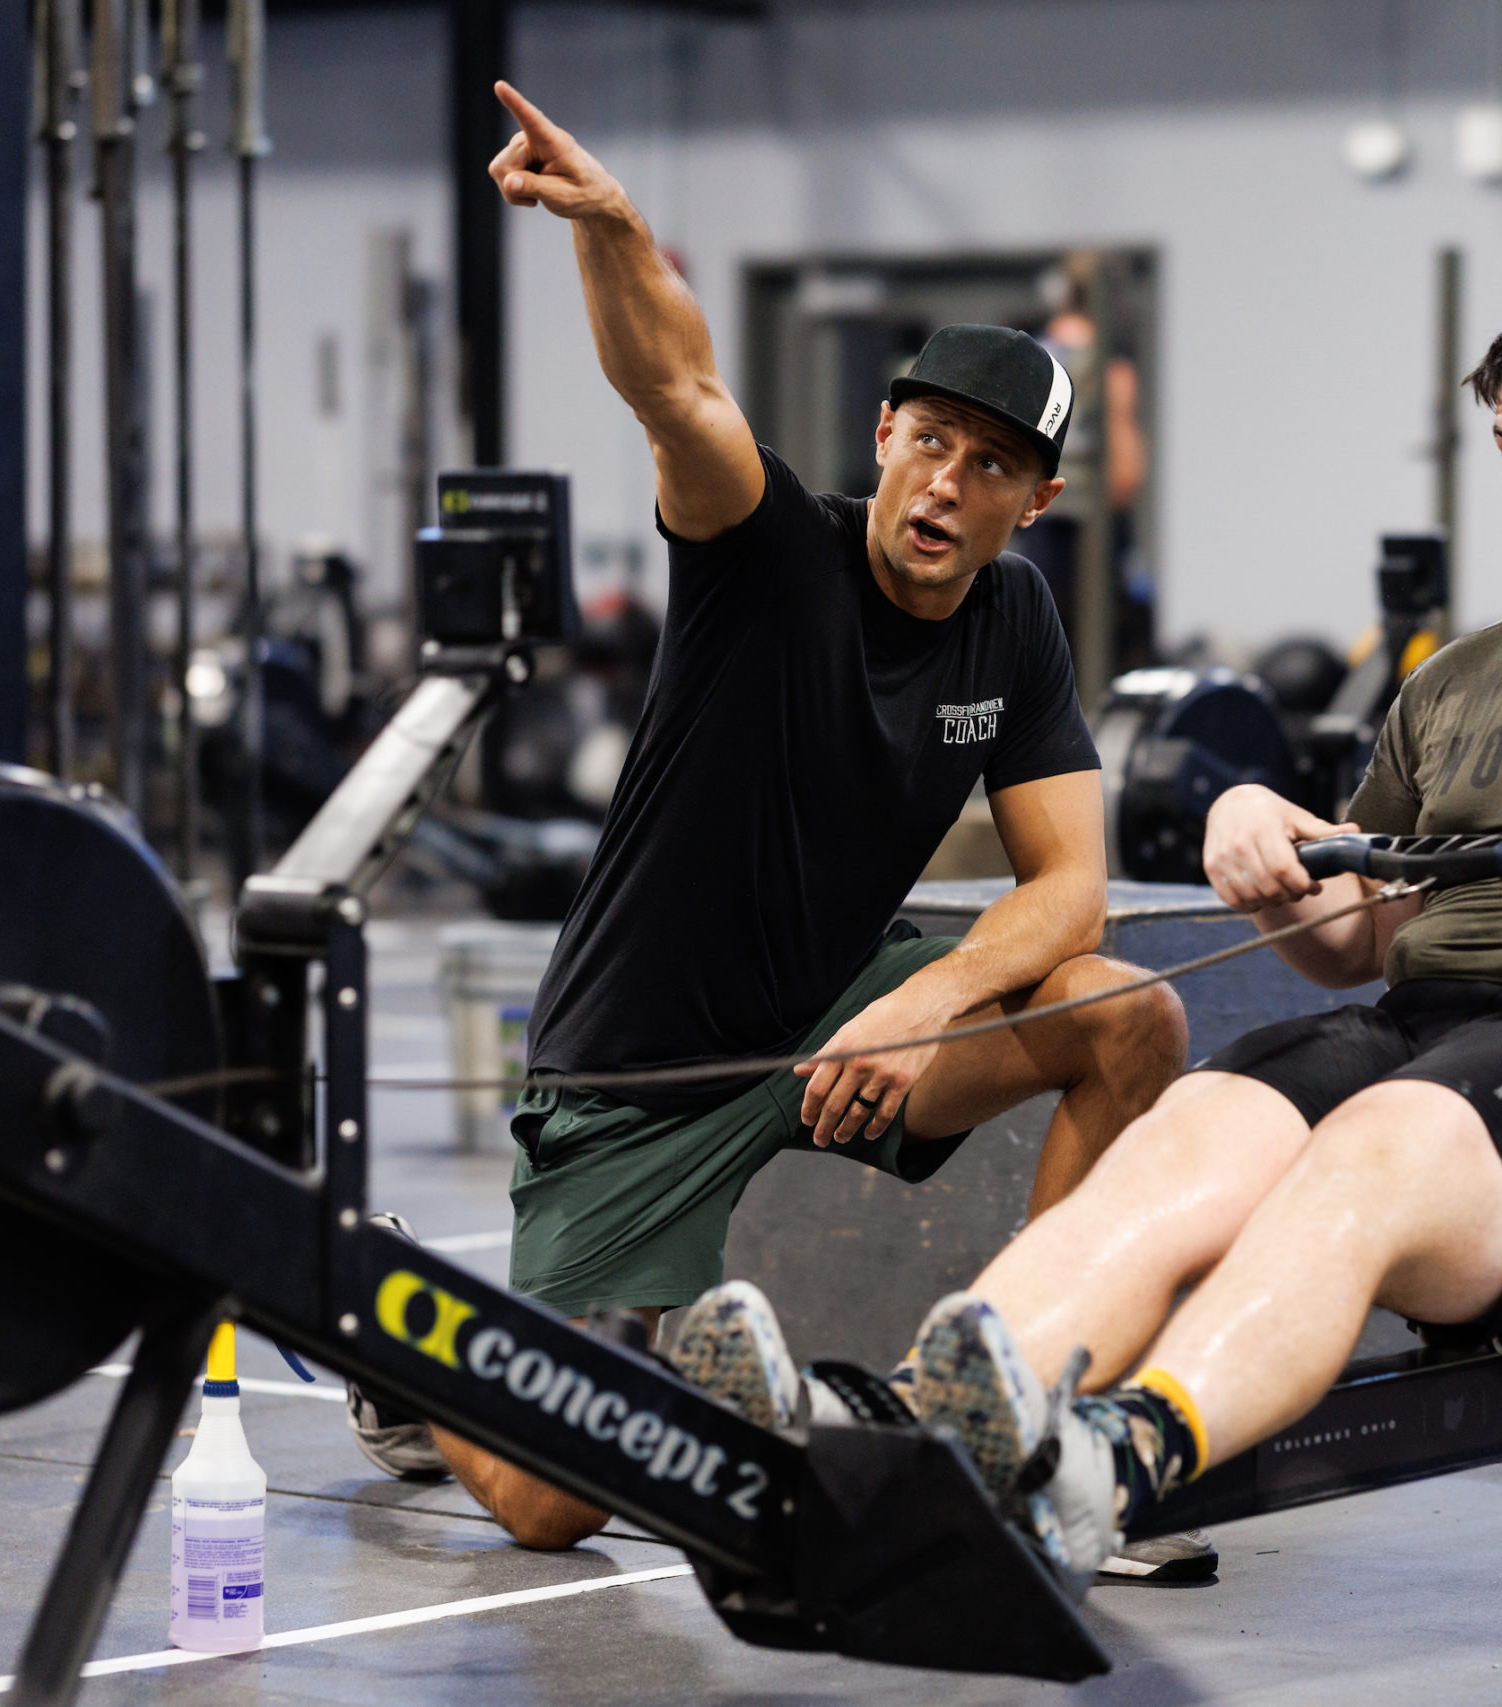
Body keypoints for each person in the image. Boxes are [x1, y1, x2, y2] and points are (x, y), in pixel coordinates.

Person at [654, 282, 1502, 1592]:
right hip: (1426, 1034)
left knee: (1376, 1142)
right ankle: (897, 1431)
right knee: (1195, 1125)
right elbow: (1359, 941)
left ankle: (1110, 1460)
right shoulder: (1459, 681)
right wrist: (1267, 847)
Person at [345, 81, 1190, 1563]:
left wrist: (918, 999)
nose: (946, 483)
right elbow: (679, 391)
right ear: (885, 430)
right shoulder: (769, 552)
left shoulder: (1016, 619)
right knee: (559, 1506)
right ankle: (407, 1336)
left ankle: (1023, 1394)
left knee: (1127, 1019)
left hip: (834, 1034)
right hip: (637, 1073)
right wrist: (615, 235)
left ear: (1038, 501)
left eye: (990, 466)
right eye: (930, 439)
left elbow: (1073, 891)